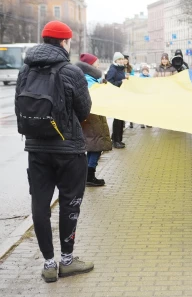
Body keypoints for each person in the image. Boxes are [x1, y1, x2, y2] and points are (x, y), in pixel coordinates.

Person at [15, 20, 94, 283]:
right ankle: (67, 261)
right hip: (69, 150)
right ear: (64, 42)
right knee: (70, 202)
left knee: (40, 205)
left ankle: (49, 264)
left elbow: (20, 105)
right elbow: (84, 110)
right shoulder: (71, 71)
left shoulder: (25, 70)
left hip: (36, 148)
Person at [76, 53, 112, 187]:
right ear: (90, 65)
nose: (98, 65)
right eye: (96, 62)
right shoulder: (89, 80)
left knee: (93, 145)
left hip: (92, 116)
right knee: (96, 144)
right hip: (93, 116)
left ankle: (87, 175)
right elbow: (94, 96)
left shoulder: (88, 78)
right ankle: (89, 175)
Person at [106, 52, 127, 148]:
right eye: (119, 59)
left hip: (121, 96)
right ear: (115, 61)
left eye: (122, 59)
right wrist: (121, 82)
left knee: (121, 119)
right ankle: (115, 140)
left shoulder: (121, 69)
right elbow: (109, 82)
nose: (121, 61)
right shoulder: (113, 69)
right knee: (117, 119)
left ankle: (118, 139)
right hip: (116, 97)